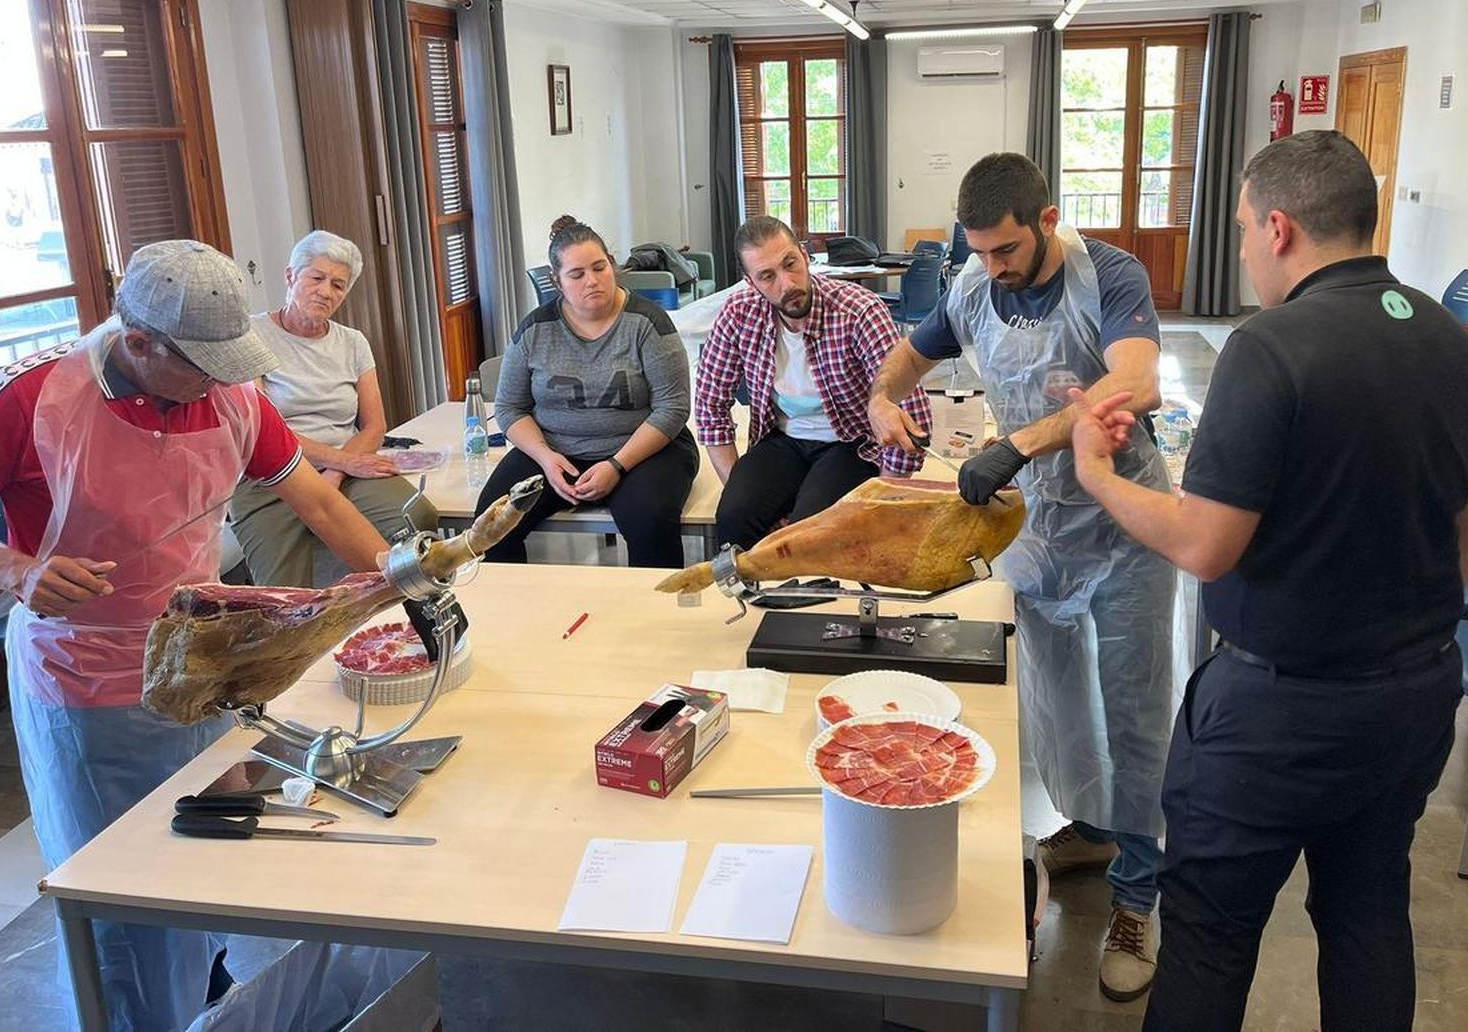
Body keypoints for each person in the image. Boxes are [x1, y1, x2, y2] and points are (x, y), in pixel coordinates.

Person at [1065, 131, 1468, 1030]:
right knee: (1369, 912)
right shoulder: (1453, 342)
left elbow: (1204, 547)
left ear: (1278, 226)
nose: (1244, 253)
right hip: (1415, 694)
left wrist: (1099, 476)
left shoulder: (1270, 348)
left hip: (1279, 711)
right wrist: (1419, 627)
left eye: (1240, 232)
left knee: (1212, 934)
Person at [0, 241, 396, 1032]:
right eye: (201, 366)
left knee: (207, 851)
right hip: (86, 678)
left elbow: (319, 504)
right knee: (127, 891)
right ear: (139, 342)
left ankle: (204, 992)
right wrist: (16, 572)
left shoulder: (235, 397)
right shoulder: (33, 399)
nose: (219, 382)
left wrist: (403, 580)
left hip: (202, 659)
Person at [868, 153, 1175, 1002]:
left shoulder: (1108, 274)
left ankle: (1139, 898)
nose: (993, 267)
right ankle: (1090, 827)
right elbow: (900, 364)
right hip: (1042, 530)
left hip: (1123, 528)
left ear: (1044, 222)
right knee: (1057, 702)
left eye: (1005, 250)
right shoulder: (971, 286)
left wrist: (1019, 442)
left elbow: (1138, 380)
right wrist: (884, 403)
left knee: (1138, 715)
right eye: (979, 251)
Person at [695, 216, 932, 551]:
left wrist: (879, 501)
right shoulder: (739, 312)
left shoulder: (858, 311)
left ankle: (814, 598)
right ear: (751, 283)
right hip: (782, 439)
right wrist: (741, 490)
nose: (787, 283)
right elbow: (709, 402)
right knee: (735, 516)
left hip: (850, 443)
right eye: (767, 276)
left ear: (805, 256)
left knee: (809, 535)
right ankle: (755, 600)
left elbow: (913, 413)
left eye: (791, 264)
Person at [477, 215, 697, 567]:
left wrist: (616, 465)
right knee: (492, 524)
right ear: (557, 281)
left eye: (599, 268)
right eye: (577, 275)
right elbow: (510, 408)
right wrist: (546, 459)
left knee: (649, 521)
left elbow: (672, 408)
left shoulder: (648, 323)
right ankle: (517, 615)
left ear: (612, 265)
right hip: (556, 452)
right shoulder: (536, 329)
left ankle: (656, 618)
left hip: (642, 451)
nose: (592, 281)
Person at [231, 230, 437, 586]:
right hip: (269, 476)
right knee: (285, 596)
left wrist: (336, 473)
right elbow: (261, 431)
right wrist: (338, 463)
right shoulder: (252, 335)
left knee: (416, 515)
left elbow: (374, 426)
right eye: (316, 278)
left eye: (339, 285)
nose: (326, 292)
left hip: (346, 468)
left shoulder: (353, 342)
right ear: (290, 276)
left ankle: (390, 624)